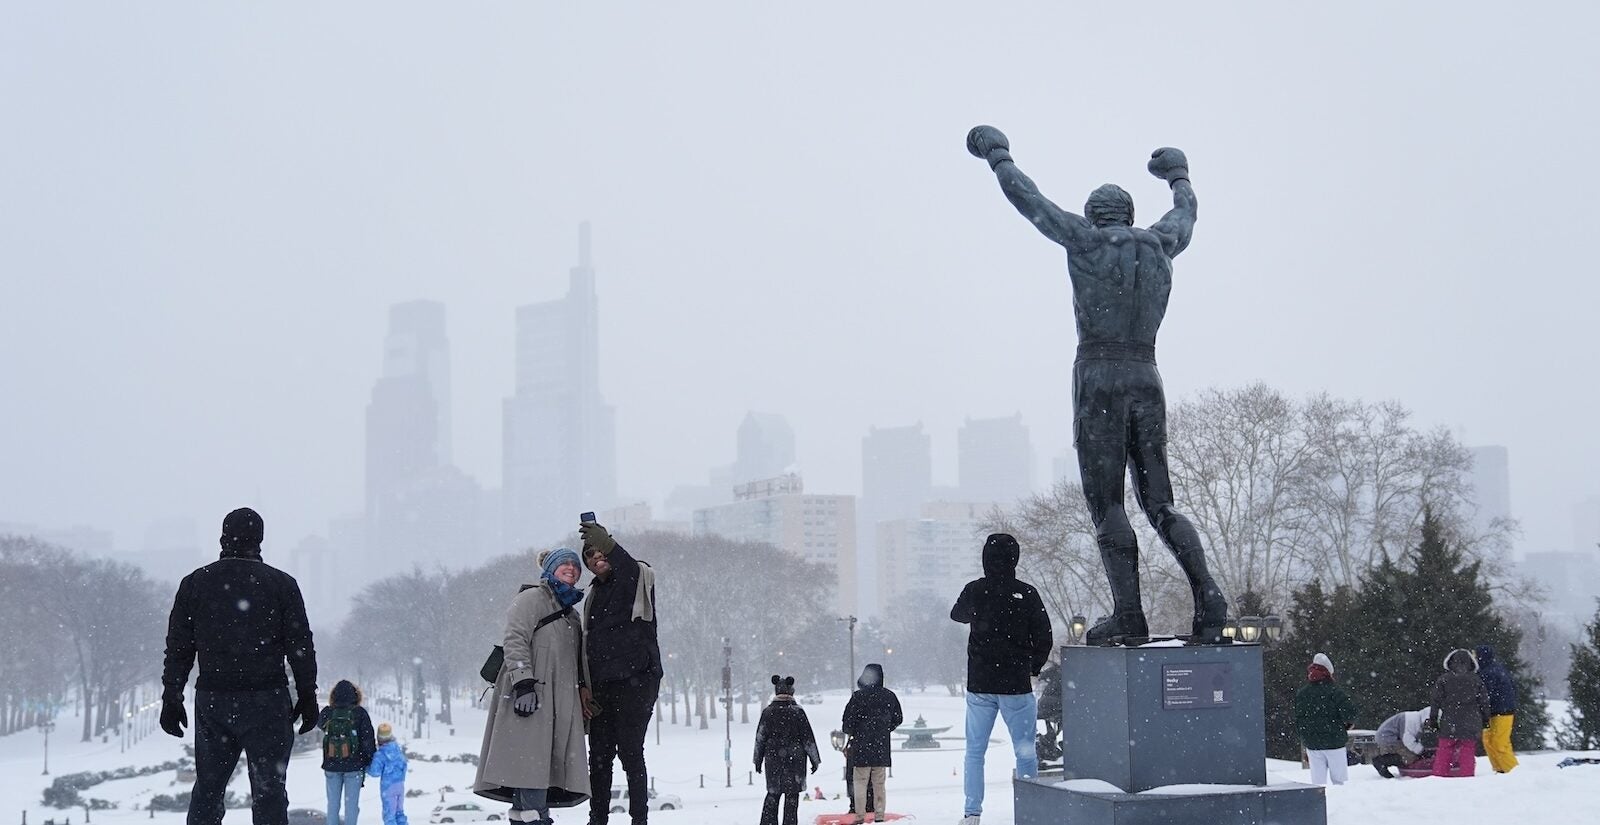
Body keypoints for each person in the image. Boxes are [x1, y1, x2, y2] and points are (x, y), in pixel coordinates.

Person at [966, 126, 1229, 644]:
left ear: (1094, 217)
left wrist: (997, 155)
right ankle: (1208, 595)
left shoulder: (1085, 242)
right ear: (1130, 217)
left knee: (1107, 502)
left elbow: (1030, 199)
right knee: (1160, 500)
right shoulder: (1160, 244)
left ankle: (1129, 615)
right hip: (1147, 374)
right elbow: (1187, 212)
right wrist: (1178, 174)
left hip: (1099, 374)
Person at [160, 507, 318, 825]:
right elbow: (300, 646)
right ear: (259, 540)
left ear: (222, 537)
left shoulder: (195, 584)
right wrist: (307, 694)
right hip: (268, 700)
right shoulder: (281, 585)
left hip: (214, 699)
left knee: (208, 791)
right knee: (269, 793)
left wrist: (172, 695)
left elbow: (179, 649)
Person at [474, 548, 590, 824]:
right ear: (549, 569)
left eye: (575, 566)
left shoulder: (571, 614)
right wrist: (523, 682)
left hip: (558, 703)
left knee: (540, 766)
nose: (571, 569)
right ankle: (534, 818)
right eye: (564, 564)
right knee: (529, 764)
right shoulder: (531, 599)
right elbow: (515, 639)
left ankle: (532, 816)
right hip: (530, 697)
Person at [950, 533, 1053, 825]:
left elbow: (956, 614)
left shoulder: (975, 589)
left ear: (985, 558)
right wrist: (1031, 667)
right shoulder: (1027, 593)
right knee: (1025, 751)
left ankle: (972, 813)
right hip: (1016, 686)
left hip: (980, 684)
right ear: (1015, 559)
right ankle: (1032, 810)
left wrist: (979, 610)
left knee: (975, 753)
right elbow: (1044, 635)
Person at [577, 521, 663, 825]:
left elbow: (628, 565)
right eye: (590, 556)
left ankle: (639, 819)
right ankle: (597, 818)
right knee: (598, 758)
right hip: (601, 685)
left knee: (630, 753)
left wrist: (608, 543)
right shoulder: (592, 596)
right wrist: (583, 685)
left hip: (635, 681)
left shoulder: (632, 579)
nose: (597, 559)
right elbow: (584, 644)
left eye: (602, 553)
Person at [753, 675, 821, 825]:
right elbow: (808, 738)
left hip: (773, 760)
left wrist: (757, 760)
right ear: (791, 692)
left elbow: (760, 738)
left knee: (773, 794)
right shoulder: (798, 712)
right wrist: (815, 760)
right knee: (792, 797)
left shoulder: (768, 712)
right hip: (795, 761)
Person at [840, 664, 903, 824]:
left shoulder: (858, 697)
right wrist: (885, 728)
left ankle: (860, 815)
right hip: (881, 746)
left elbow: (846, 722)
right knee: (879, 783)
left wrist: (855, 731)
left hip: (861, 746)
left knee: (860, 782)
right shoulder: (889, 696)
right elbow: (898, 718)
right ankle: (879, 814)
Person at [1293, 653, 1358, 786]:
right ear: (1328, 673)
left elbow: (1299, 719)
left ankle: (1319, 805)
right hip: (1334, 742)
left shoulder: (1302, 693)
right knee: (1339, 781)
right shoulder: (1334, 691)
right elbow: (1350, 712)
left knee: (1317, 783)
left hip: (1312, 743)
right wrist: (1347, 725)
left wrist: (1305, 738)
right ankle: (1340, 804)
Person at [318, 680, 377, 825]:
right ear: (356, 695)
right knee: (351, 806)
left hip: (331, 766)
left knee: (332, 805)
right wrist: (368, 760)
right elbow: (368, 739)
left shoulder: (328, 712)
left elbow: (319, 724)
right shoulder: (360, 713)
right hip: (354, 766)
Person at [1431, 648, 1491, 778]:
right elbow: (1484, 702)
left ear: (1450, 662)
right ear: (1471, 663)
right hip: (1471, 720)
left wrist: (1433, 720)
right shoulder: (1476, 680)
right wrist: (1486, 720)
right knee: (1467, 749)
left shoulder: (1444, 679)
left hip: (1449, 720)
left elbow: (1435, 702)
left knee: (1445, 748)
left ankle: (1439, 776)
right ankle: (1467, 776)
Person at [1475, 644, 1519, 773]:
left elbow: (1487, 694)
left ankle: (1513, 771)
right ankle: (1499, 769)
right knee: (1488, 740)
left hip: (1503, 711)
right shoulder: (1493, 669)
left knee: (1499, 742)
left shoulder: (1490, 672)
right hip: (1496, 711)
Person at [1371, 706, 1432, 778]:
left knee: (1412, 754)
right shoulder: (1412, 720)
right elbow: (1408, 740)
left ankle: (1384, 760)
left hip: (1389, 736)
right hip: (1387, 737)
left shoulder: (1417, 719)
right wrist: (1422, 751)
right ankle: (1381, 761)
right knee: (1410, 757)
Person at [367, 723, 409, 825]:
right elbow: (404, 764)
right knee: (399, 813)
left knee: (389, 816)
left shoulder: (380, 754)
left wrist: (365, 768)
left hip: (388, 788)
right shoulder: (397, 750)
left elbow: (375, 772)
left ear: (378, 738)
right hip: (400, 785)